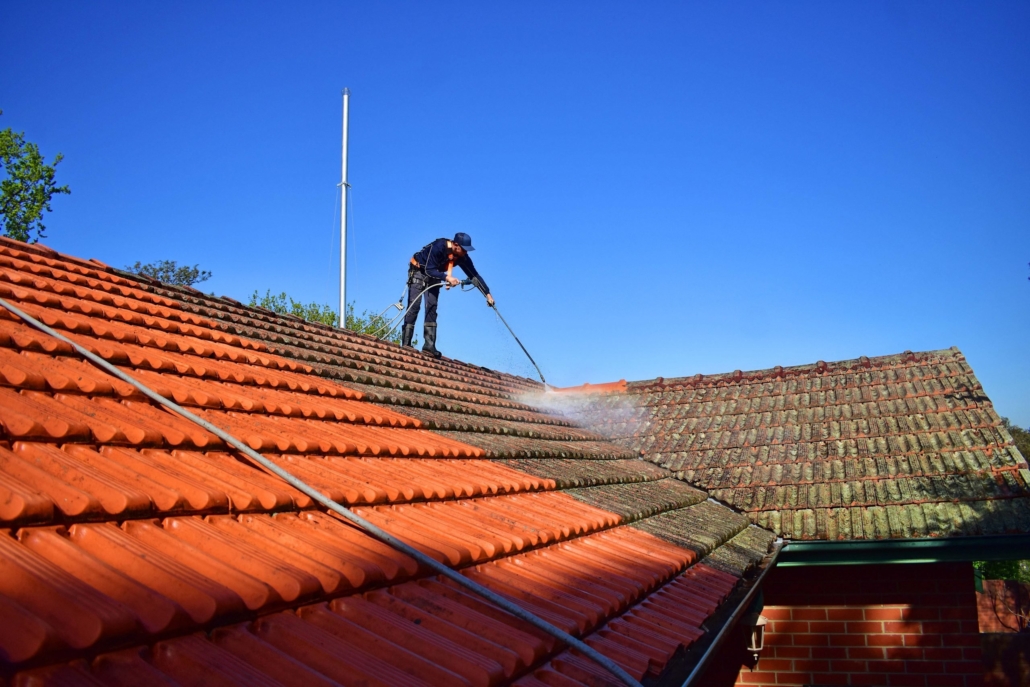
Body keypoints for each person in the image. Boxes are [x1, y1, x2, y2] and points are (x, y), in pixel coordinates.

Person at [402, 232, 494, 358]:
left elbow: (474, 275)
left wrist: (487, 294)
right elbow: (429, 269)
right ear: (456, 245)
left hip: (436, 275)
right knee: (414, 306)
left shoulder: (462, 257)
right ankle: (406, 344)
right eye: (464, 249)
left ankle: (429, 346)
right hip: (419, 271)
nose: (466, 253)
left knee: (432, 306)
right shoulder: (438, 247)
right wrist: (447, 278)